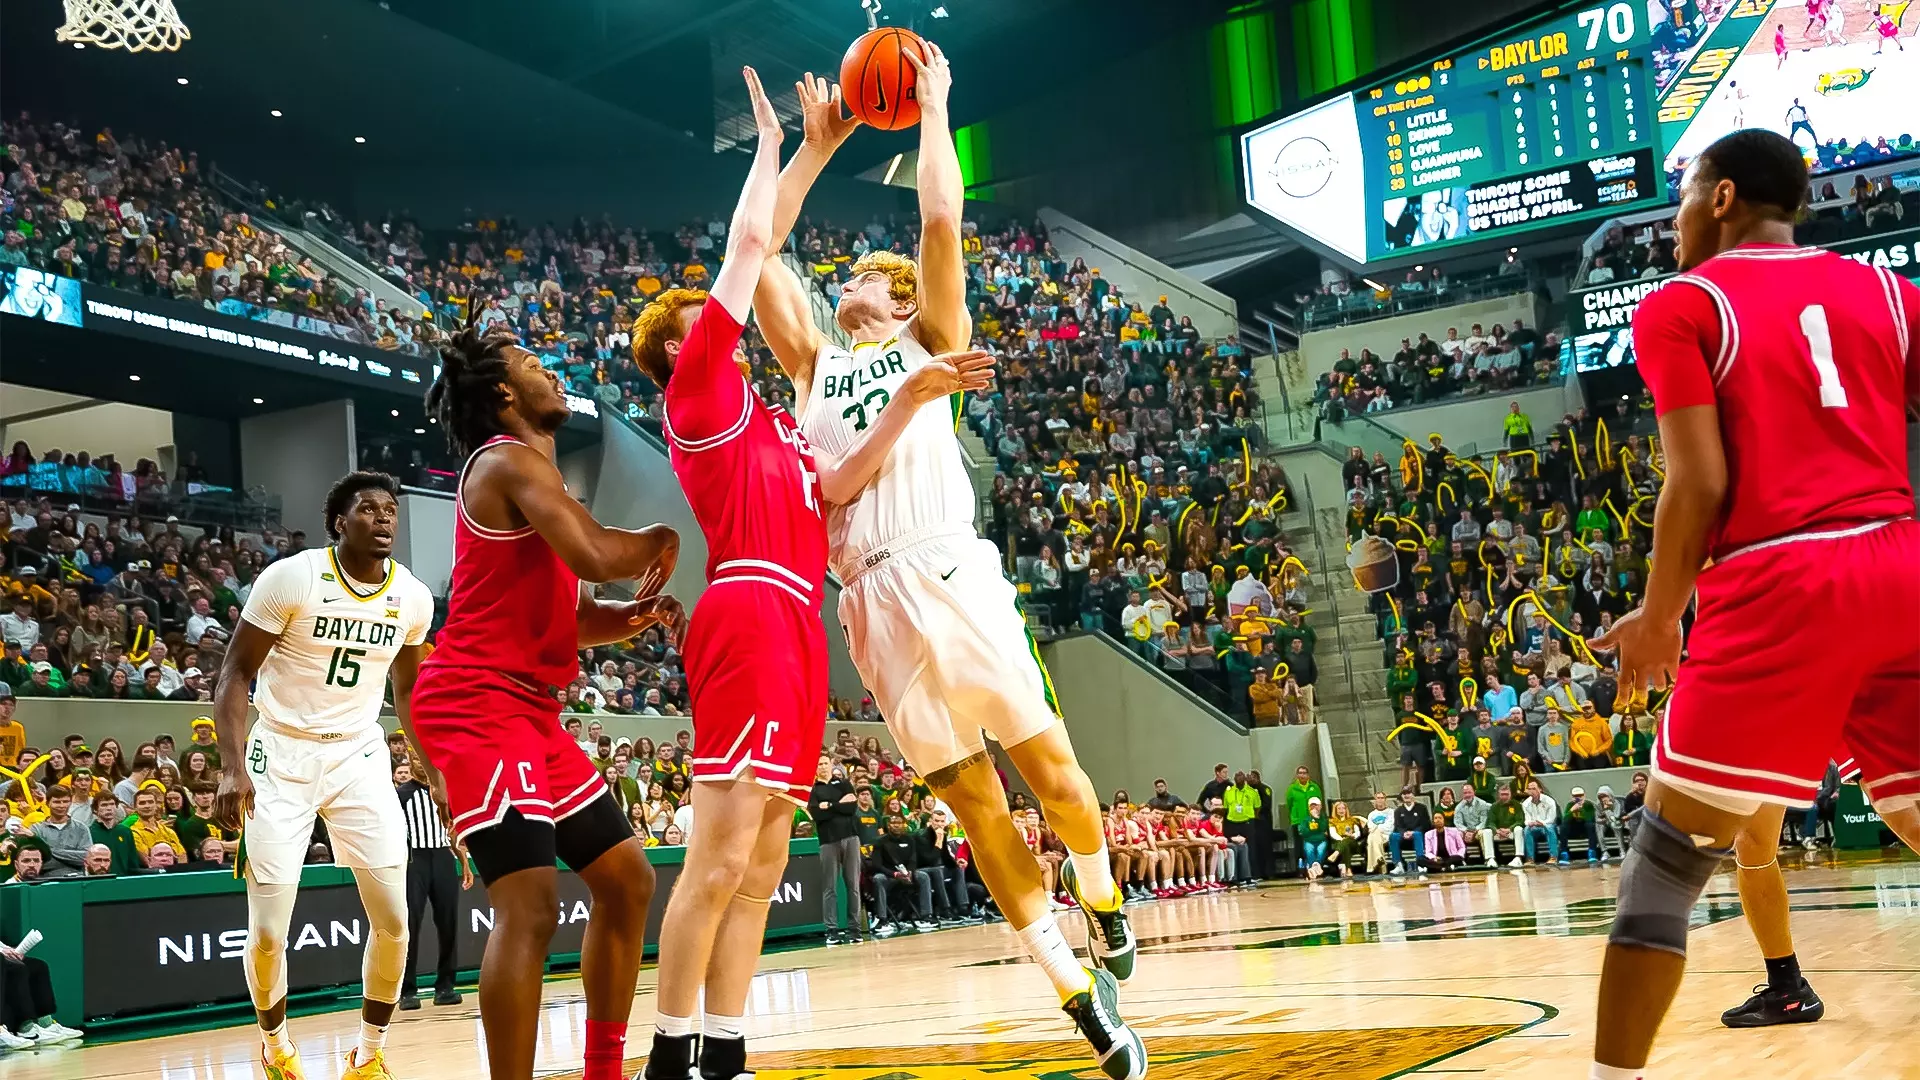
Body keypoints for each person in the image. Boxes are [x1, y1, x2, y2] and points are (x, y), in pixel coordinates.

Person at [754, 59, 1145, 1077]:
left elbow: (938, 224)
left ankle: (1102, 898)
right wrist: (807, 150)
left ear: (891, 294)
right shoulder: (812, 365)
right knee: (977, 811)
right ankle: (1076, 994)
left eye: (859, 276)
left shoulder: (931, 333)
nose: (842, 282)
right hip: (871, 599)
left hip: (950, 570)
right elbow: (755, 252)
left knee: (1053, 778)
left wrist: (934, 112)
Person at [635, 70, 990, 1080]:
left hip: (801, 625)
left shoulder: (782, 426)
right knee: (718, 856)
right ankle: (670, 1051)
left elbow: (844, 482)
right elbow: (752, 246)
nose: (734, 326)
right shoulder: (701, 396)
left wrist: (917, 394)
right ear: (680, 347)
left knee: (764, 865)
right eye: (709, 321)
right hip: (746, 607)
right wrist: (791, 147)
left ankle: (727, 1047)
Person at [1588, 129, 1920, 1080]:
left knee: (1663, 867)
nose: (1677, 218)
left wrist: (1659, 616)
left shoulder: (1684, 304)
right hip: (1899, 564)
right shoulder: (1894, 295)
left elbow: (1696, 482)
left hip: (1784, 582)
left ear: (1724, 196)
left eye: (1685, 194)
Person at [414, 253, 685, 1080]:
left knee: (628, 881)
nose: (550, 369)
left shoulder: (539, 474)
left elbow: (572, 610)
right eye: (532, 364)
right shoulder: (505, 460)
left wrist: (631, 617)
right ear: (502, 394)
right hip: (473, 701)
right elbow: (602, 554)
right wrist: (668, 538)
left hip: (527, 708)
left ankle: (603, 1070)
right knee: (528, 905)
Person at [210, 471, 435, 1080]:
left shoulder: (413, 597)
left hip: (359, 754)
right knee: (265, 932)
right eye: (368, 509)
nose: (384, 518)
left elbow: (410, 690)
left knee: (394, 919)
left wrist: (432, 770)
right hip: (279, 754)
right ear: (340, 521)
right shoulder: (292, 578)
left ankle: (368, 1054)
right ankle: (275, 1044)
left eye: (390, 509)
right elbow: (233, 674)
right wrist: (231, 768)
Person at [394, 758, 469, 1011]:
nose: (418, 763)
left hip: (443, 857)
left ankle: (445, 987)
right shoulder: (401, 795)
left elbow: (453, 830)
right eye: (413, 758)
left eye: (420, 757)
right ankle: (407, 991)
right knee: (411, 925)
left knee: (449, 923)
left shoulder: (444, 790)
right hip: (414, 860)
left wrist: (465, 863)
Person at [809, 757, 864, 946]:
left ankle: (855, 929)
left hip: (851, 837)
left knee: (853, 886)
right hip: (827, 842)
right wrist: (839, 804)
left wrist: (830, 806)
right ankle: (831, 930)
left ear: (831, 766)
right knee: (829, 888)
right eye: (818, 764)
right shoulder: (813, 790)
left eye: (825, 763)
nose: (822, 767)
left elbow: (852, 807)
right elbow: (817, 814)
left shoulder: (844, 784)